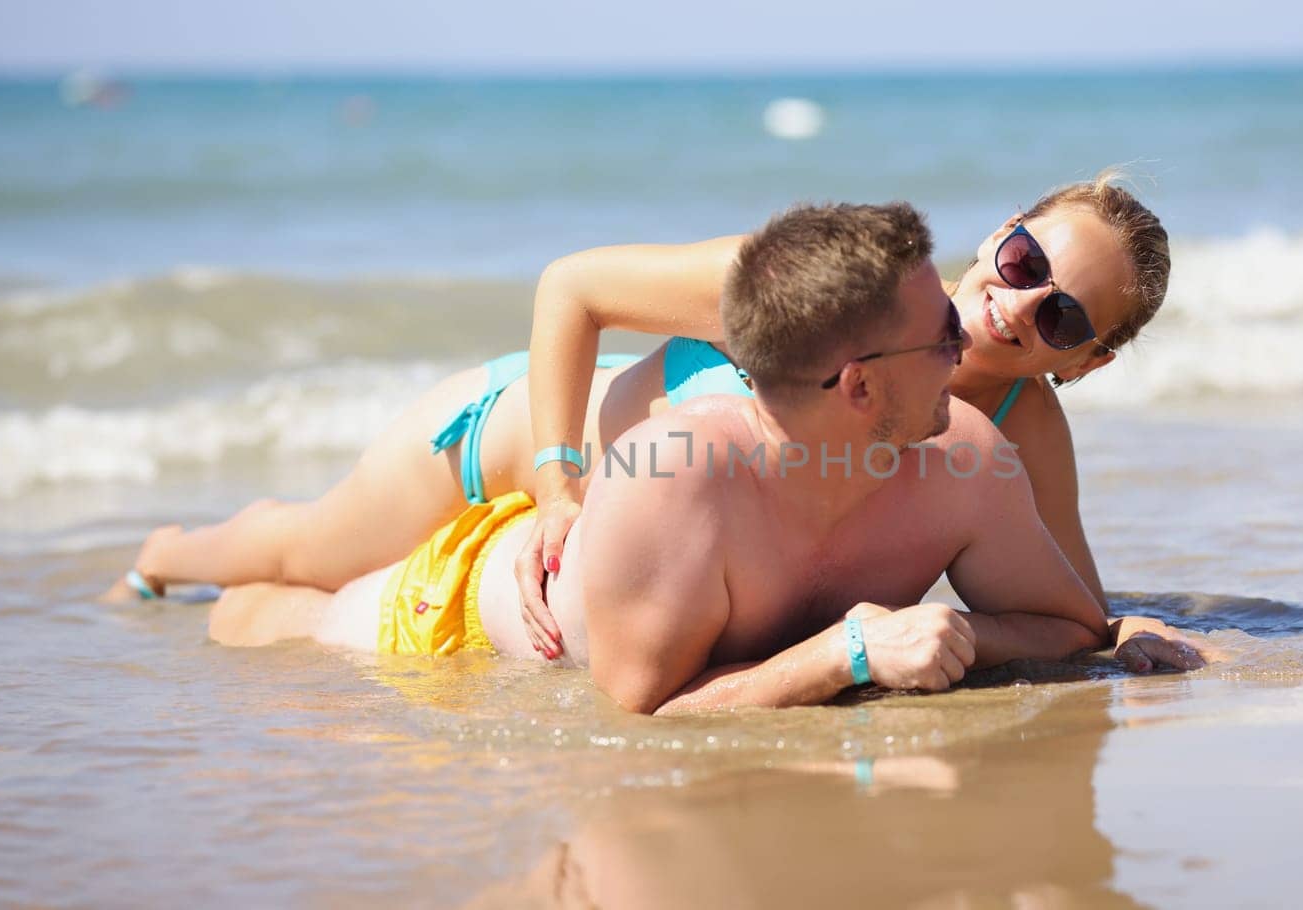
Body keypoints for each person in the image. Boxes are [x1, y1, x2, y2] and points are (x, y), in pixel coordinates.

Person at [112, 175, 1169, 663]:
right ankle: (169, 555)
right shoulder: (825, 289)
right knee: (305, 550)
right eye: (1026, 261)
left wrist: (1135, 637)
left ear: (1092, 357)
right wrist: (559, 481)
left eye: (1061, 310)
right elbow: (570, 286)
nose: (1016, 302)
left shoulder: (1019, 426)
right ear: (999, 233)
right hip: (520, 427)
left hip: (630, 525)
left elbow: (1070, 596)